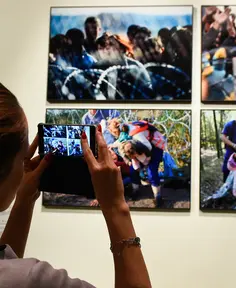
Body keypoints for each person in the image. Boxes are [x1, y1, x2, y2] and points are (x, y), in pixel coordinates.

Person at [0, 83, 151, 287]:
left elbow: (6, 263)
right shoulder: (33, 279)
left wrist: (24, 200)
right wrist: (116, 207)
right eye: (23, 155)